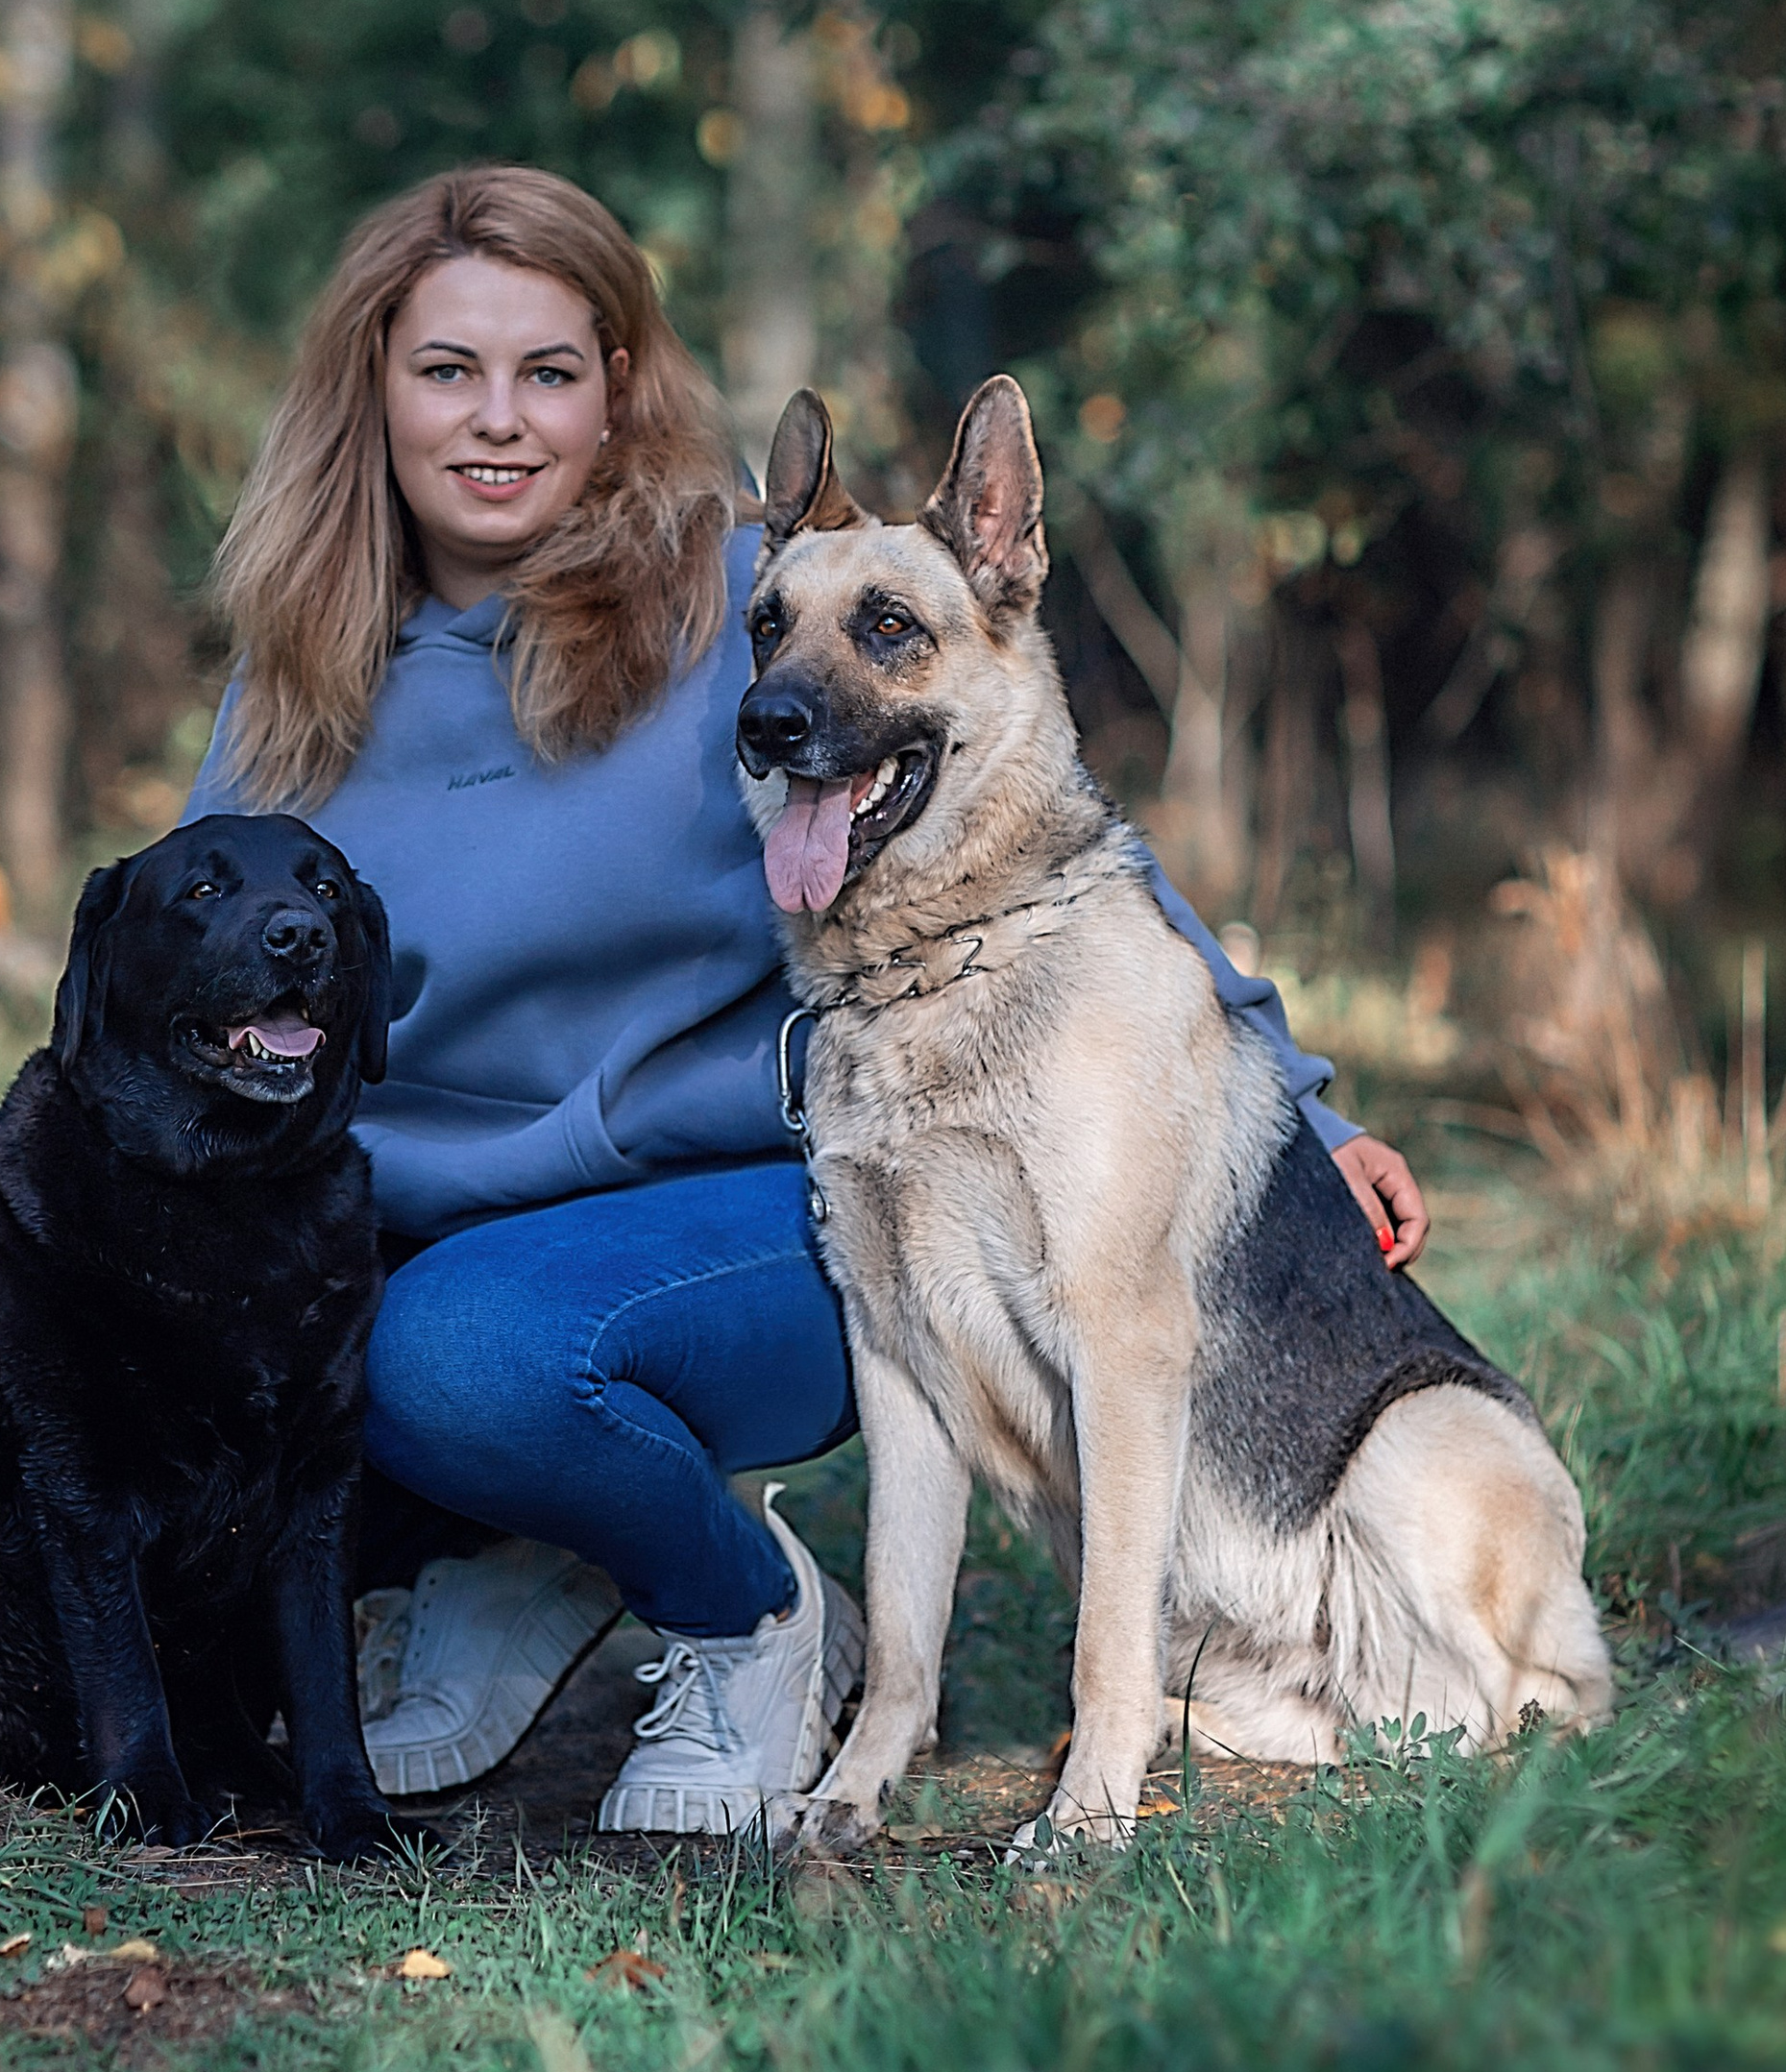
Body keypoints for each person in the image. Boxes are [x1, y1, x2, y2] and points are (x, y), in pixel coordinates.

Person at [183, 164, 1429, 1836]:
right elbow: (185, 991)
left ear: (618, 389)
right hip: (434, 1224)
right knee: (284, 1352)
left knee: (458, 1355)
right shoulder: (291, 679)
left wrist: (1296, 1089)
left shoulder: (749, 598)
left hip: (755, 1212)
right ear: (372, 384)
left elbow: (1042, 832)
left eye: (549, 371)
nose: (499, 420)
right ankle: (525, 1554)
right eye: (446, 369)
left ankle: (752, 1619)